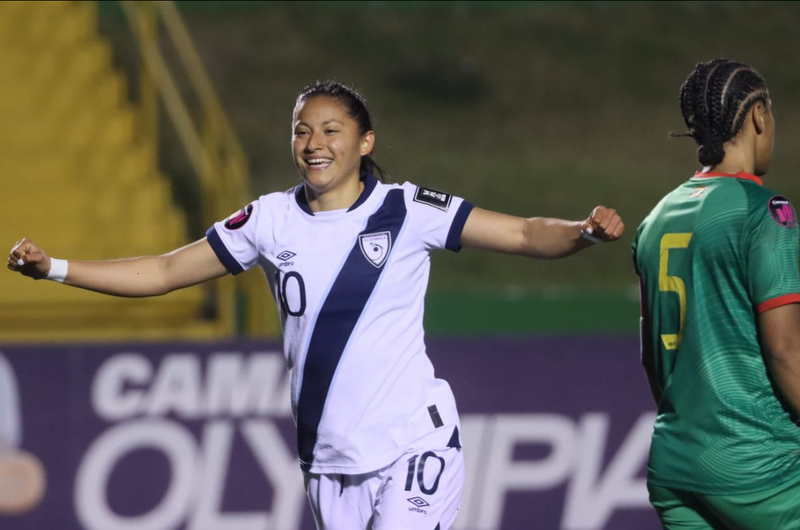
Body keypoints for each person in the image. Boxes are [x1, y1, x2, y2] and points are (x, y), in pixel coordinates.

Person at [8, 80, 624, 529]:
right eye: (302, 130)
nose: (314, 143)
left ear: (365, 142)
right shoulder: (269, 220)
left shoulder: (407, 211)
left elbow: (520, 233)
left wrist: (582, 231)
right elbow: (167, 270)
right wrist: (57, 268)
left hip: (414, 443)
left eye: (332, 130)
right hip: (328, 461)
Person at [632, 59, 800, 529]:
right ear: (758, 117)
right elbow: (785, 351)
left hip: (674, 465)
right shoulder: (765, 212)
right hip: (757, 466)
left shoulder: (656, 218)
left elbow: (651, 357)